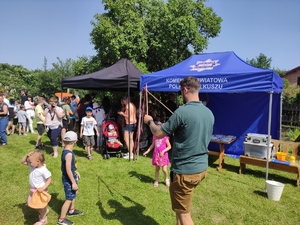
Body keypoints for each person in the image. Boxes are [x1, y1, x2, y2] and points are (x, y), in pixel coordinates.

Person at [143, 76, 214, 225]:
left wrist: (149, 121)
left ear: (186, 89)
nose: (181, 94)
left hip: (185, 172)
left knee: (184, 215)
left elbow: (158, 134)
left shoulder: (181, 112)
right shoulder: (209, 113)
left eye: (181, 91)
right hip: (201, 169)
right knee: (180, 210)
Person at [57, 131, 83, 225]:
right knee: (69, 198)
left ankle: (71, 210)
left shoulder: (66, 150)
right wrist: (73, 182)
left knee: (73, 195)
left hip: (71, 176)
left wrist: (75, 172)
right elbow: (68, 170)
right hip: (69, 179)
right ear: (75, 141)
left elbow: (70, 168)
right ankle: (61, 219)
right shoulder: (69, 154)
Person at [21, 150, 52, 225]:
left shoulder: (43, 170)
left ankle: (43, 219)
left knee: (40, 206)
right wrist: (27, 155)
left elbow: (49, 179)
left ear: (38, 161)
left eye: (30, 161)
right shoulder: (33, 166)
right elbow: (22, 162)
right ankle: (45, 210)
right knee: (32, 204)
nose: (29, 163)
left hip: (40, 191)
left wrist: (43, 188)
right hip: (33, 190)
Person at [143, 121, 171, 187]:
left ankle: (166, 179)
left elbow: (169, 146)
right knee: (157, 169)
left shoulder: (165, 138)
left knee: (164, 169)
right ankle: (156, 180)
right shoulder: (155, 137)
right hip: (157, 155)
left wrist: (163, 151)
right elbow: (153, 145)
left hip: (163, 155)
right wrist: (147, 151)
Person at [118, 96, 137, 160]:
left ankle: (131, 154)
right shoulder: (133, 105)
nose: (123, 102)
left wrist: (122, 114)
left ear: (125, 100)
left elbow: (128, 116)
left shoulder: (128, 106)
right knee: (131, 139)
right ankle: (131, 152)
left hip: (129, 123)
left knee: (126, 138)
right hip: (134, 122)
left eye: (123, 101)